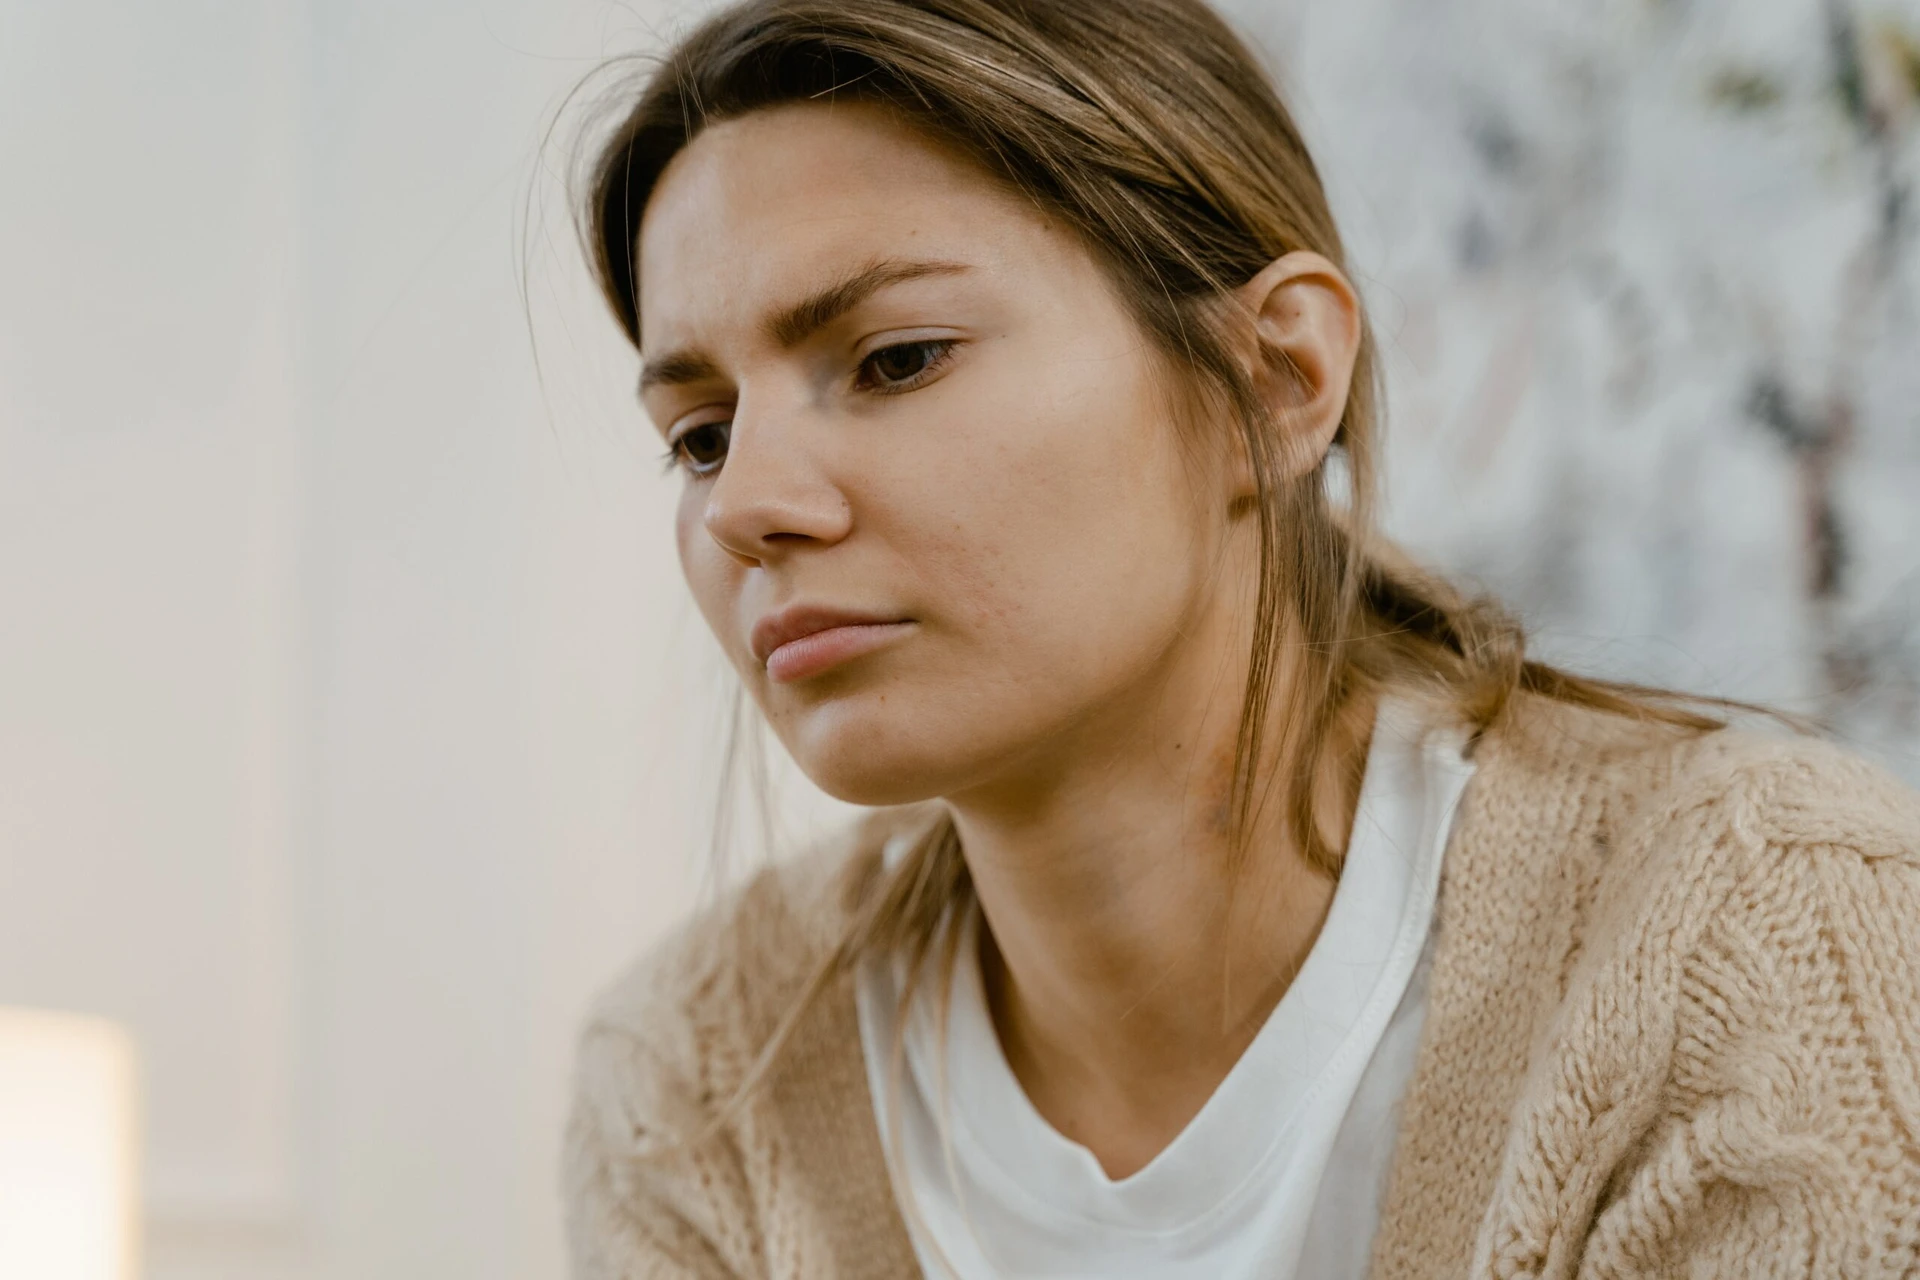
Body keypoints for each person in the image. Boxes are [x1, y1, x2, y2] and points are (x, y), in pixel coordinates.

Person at [560, 1, 1920, 1276]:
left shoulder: (1766, 941)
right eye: (700, 434)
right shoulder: (695, 1086)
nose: (745, 504)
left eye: (897, 357)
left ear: (1275, 382)